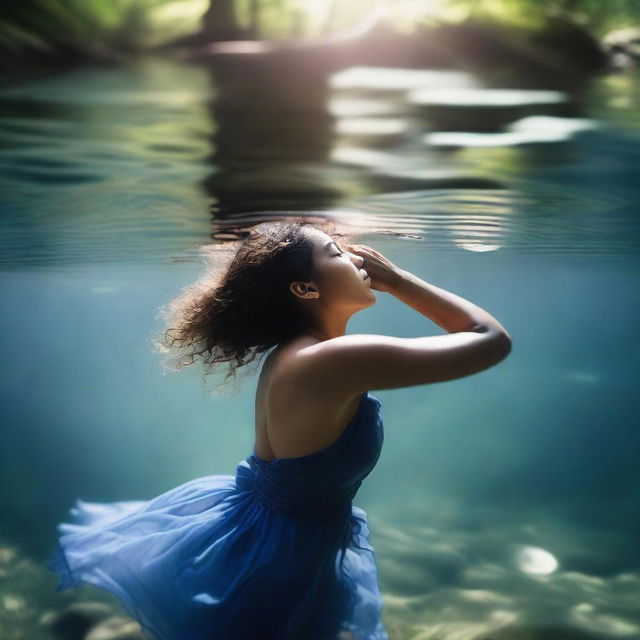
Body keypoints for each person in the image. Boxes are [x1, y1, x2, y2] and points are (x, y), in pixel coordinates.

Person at [46, 219, 512, 640]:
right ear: (306, 288)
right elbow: (490, 341)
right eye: (336, 251)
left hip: (268, 537)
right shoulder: (331, 360)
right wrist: (398, 280)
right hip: (283, 561)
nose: (357, 258)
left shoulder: (298, 352)